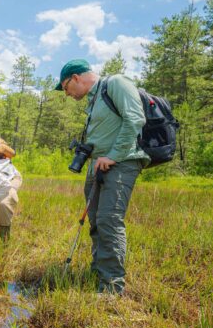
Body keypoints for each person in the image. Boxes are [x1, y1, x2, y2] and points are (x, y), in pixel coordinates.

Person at [55, 59, 150, 295]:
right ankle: (98, 273)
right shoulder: (94, 99)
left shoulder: (116, 83)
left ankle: (112, 287)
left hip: (121, 162)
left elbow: (135, 119)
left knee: (109, 219)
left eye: (66, 88)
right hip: (99, 166)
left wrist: (114, 155)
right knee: (96, 221)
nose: (67, 94)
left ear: (76, 78)